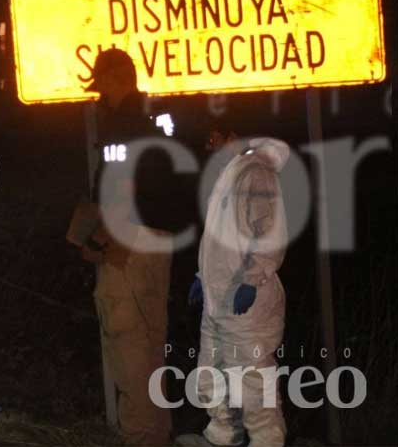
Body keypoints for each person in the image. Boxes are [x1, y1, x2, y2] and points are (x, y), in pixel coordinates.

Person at [79, 48, 174, 446]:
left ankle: (139, 437)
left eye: (102, 84)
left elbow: (121, 189)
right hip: (158, 242)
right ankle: (157, 433)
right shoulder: (157, 122)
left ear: (118, 80)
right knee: (152, 343)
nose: (99, 94)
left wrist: (94, 239)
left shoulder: (121, 126)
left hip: (127, 247)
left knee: (127, 343)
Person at [184, 133, 290, 447]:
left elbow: (270, 233)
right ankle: (223, 438)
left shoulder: (255, 173)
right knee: (212, 374)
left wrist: (252, 278)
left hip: (247, 304)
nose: (208, 145)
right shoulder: (229, 175)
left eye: (214, 138)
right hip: (219, 299)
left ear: (235, 137)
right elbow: (219, 241)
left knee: (253, 384)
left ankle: (267, 442)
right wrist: (203, 277)